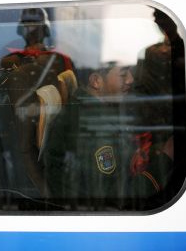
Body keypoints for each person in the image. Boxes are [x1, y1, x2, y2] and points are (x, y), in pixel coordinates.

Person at [42, 62, 137, 210]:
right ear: (96, 81)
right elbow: (104, 194)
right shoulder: (97, 128)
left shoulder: (84, 105)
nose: (130, 79)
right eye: (123, 74)